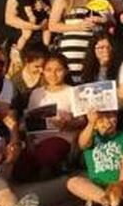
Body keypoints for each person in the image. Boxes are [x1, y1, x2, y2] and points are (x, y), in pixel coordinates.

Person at [17, 53, 85, 181]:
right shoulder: (36, 93)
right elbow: (30, 121)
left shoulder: (73, 92)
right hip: (38, 140)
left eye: (58, 70)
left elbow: (82, 121)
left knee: (49, 153)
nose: (53, 74)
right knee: (21, 168)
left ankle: (53, 168)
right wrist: (29, 140)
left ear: (66, 71)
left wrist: (67, 124)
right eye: (48, 70)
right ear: (43, 71)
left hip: (62, 138)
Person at [64, 110, 123, 206]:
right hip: (96, 186)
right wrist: (91, 123)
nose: (107, 122)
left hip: (117, 185)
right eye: (102, 119)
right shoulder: (90, 137)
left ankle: (113, 202)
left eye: (111, 117)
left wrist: (121, 189)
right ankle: (108, 202)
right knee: (73, 182)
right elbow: (82, 144)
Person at [48, 0, 110, 83]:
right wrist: (78, 26)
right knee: (72, 82)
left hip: (92, 49)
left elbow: (108, 19)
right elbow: (52, 25)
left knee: (90, 82)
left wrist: (102, 19)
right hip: (72, 50)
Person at [0, 0, 50, 65]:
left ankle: (46, 47)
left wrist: (45, 11)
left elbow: (54, 15)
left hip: (42, 40)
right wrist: (34, 26)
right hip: (23, 34)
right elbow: (9, 19)